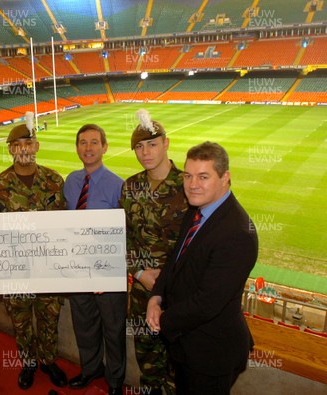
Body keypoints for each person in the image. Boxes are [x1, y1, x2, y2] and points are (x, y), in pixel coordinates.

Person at [147, 141, 258, 395]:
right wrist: (157, 295)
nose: (192, 184)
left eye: (203, 176)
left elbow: (207, 302)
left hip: (211, 353)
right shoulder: (199, 209)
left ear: (225, 178)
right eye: (188, 175)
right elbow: (176, 259)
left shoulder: (237, 233)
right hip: (188, 345)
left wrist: (163, 319)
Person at [0, 113, 67, 390]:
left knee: (48, 318)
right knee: (21, 323)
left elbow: (66, 226)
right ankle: (28, 363)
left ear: (36, 146)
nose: (23, 149)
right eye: (17, 144)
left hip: (49, 268)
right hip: (16, 270)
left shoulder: (55, 180)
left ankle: (48, 361)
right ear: (10, 149)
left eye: (28, 143)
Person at [120, 109, 188, 395]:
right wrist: (138, 272)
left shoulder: (189, 185)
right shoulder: (130, 186)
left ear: (166, 143)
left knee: (178, 363)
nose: (145, 152)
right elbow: (121, 238)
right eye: (139, 146)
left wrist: (165, 279)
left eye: (152, 144)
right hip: (141, 291)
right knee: (147, 361)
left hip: (179, 293)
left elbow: (199, 244)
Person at [64, 124, 127, 395]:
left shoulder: (118, 185)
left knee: (113, 330)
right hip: (78, 270)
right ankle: (91, 370)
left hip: (108, 273)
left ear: (104, 147)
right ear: (77, 147)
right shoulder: (71, 181)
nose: (87, 148)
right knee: (85, 326)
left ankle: (115, 381)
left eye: (93, 142)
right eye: (82, 142)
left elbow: (126, 234)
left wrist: (109, 270)